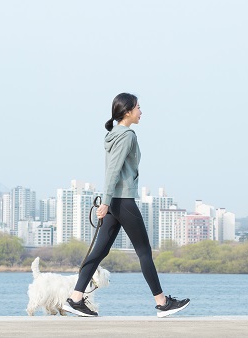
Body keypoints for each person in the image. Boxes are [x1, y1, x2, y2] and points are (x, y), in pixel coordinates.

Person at [62, 93, 190, 318]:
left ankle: (75, 298)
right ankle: (162, 303)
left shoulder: (114, 134)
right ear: (128, 111)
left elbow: (114, 170)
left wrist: (107, 202)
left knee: (100, 250)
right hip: (121, 200)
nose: (142, 111)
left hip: (115, 200)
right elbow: (113, 170)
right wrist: (106, 202)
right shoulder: (127, 135)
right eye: (139, 107)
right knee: (143, 251)